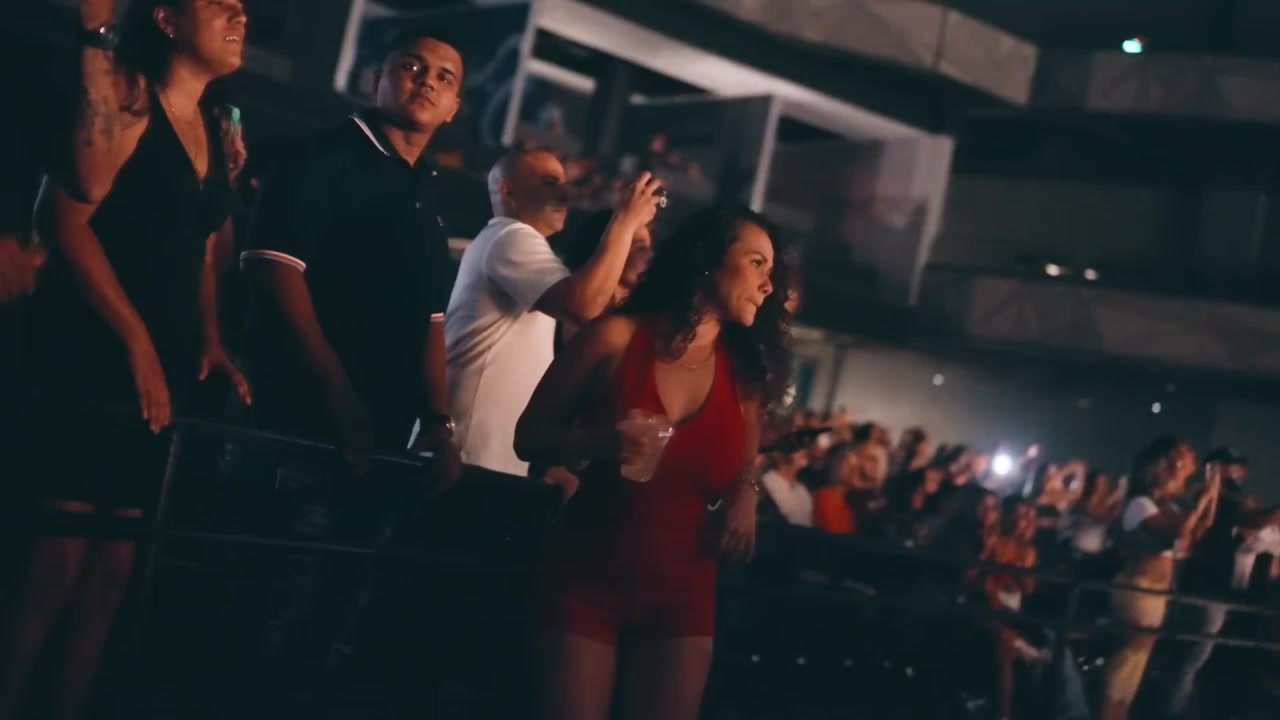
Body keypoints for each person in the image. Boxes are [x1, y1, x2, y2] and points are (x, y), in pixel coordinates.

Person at [0, 2, 250, 718]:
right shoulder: (128, 92)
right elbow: (65, 221)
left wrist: (210, 337)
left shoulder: (218, 128)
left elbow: (205, 248)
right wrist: (134, 339)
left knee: (115, 562)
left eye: (242, 6)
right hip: (91, 350)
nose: (238, 12)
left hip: (162, 368)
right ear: (167, 19)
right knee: (57, 559)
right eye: (218, 2)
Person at [235, 29, 466, 710]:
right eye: (412, 66)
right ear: (377, 78)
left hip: (382, 443)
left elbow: (431, 321)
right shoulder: (325, 156)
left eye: (445, 76)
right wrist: (337, 393)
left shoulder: (425, 194)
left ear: (455, 107)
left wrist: (440, 422)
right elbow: (273, 270)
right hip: (300, 428)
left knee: (335, 622)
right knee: (269, 612)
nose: (427, 80)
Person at [513, 205, 791, 720]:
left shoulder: (746, 376)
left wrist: (745, 495)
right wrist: (597, 444)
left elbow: (746, 462)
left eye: (771, 271)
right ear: (709, 258)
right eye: (756, 263)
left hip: (684, 587)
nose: (768, 284)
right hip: (587, 573)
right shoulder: (615, 337)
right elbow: (528, 437)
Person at [444, 149, 661, 477]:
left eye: (564, 183)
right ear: (507, 191)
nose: (565, 193)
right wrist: (626, 219)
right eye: (549, 183)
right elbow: (583, 306)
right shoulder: (511, 236)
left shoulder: (518, 245)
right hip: (470, 453)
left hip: (485, 453)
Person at [1102, 437, 1215, 720]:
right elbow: (1177, 532)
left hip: (1156, 593)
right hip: (1139, 589)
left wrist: (1211, 493)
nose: (1191, 455)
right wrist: (1201, 501)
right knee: (1124, 666)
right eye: (1183, 453)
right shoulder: (1141, 504)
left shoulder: (1171, 507)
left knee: (1134, 672)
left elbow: (1197, 530)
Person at [1163, 448, 1280, 717]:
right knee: (1190, 657)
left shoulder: (1220, 498)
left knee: (1191, 657)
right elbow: (1254, 520)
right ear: (1215, 468)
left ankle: (1175, 707)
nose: (1239, 473)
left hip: (1210, 587)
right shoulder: (1214, 497)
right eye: (1233, 466)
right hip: (1205, 588)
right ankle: (1169, 711)